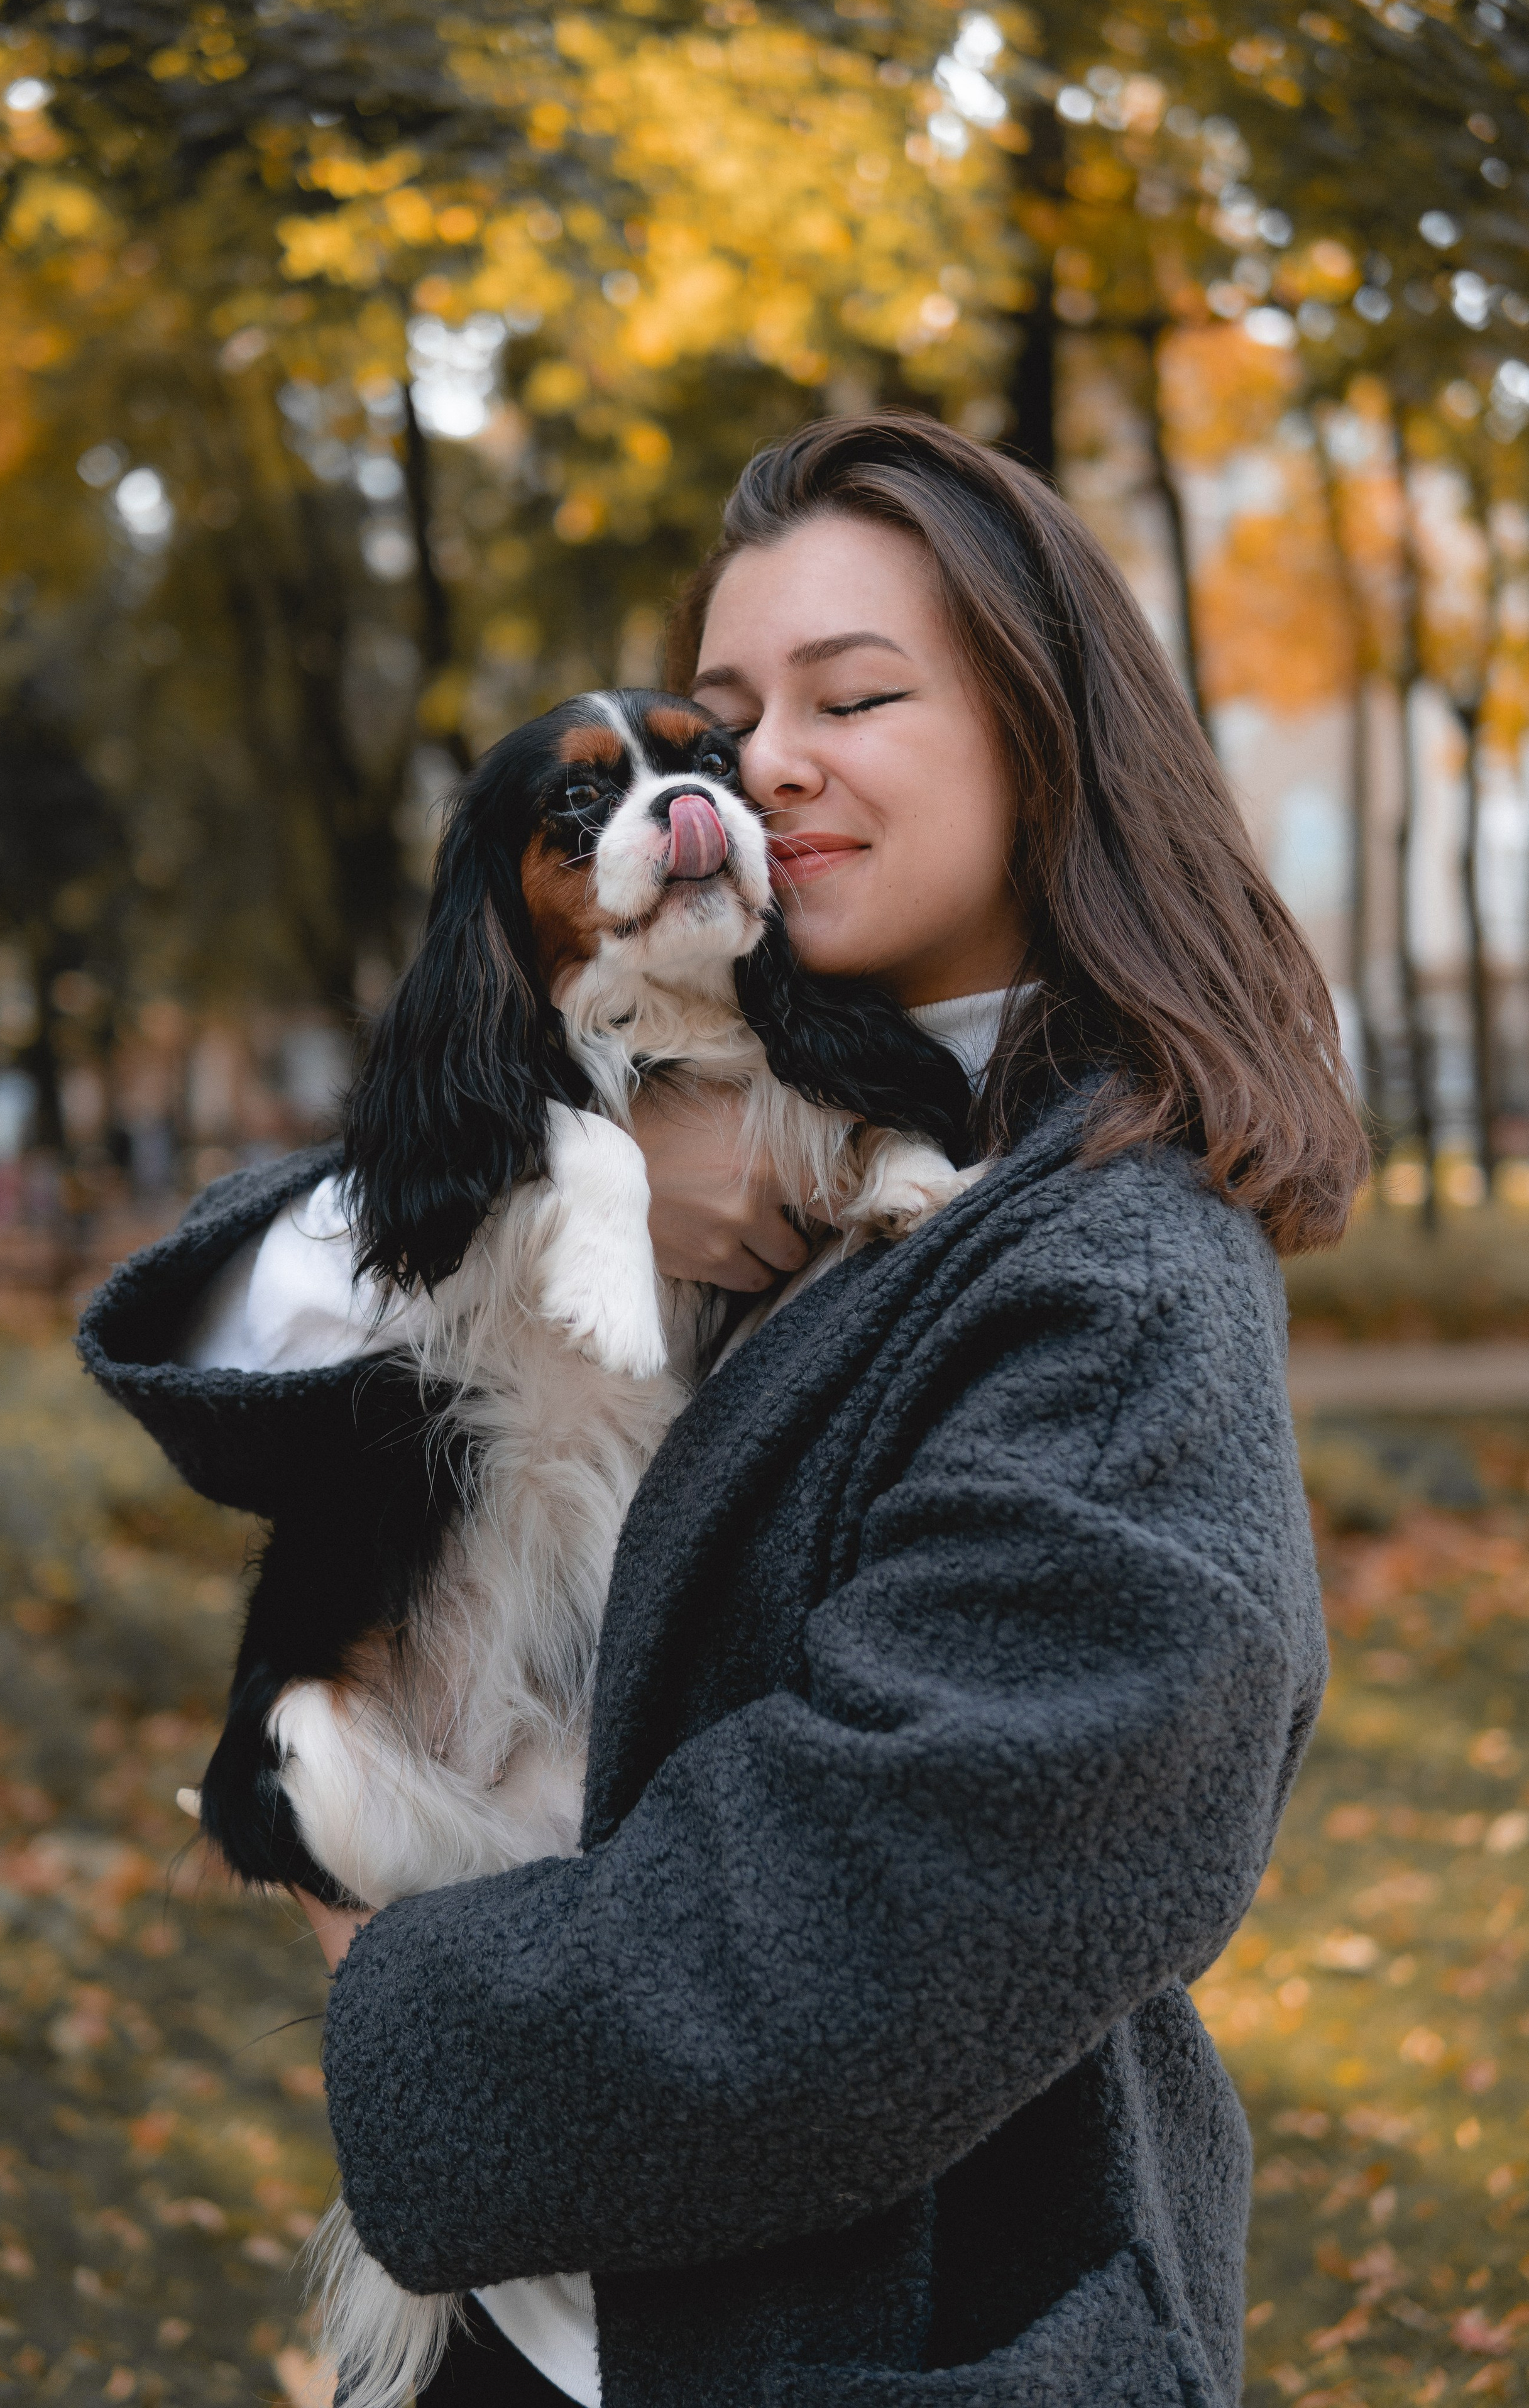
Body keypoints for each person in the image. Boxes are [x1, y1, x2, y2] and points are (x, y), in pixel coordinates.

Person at [80, 413, 1367, 2407]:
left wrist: (397, 1983)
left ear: (1047, 738)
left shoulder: (1112, 1282)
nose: (758, 765)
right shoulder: (687, 1115)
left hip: (868, 2333)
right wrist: (577, 1175)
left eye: (856, 696)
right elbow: (247, 1361)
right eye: (731, 713)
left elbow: (878, 1931)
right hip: (556, 2305)